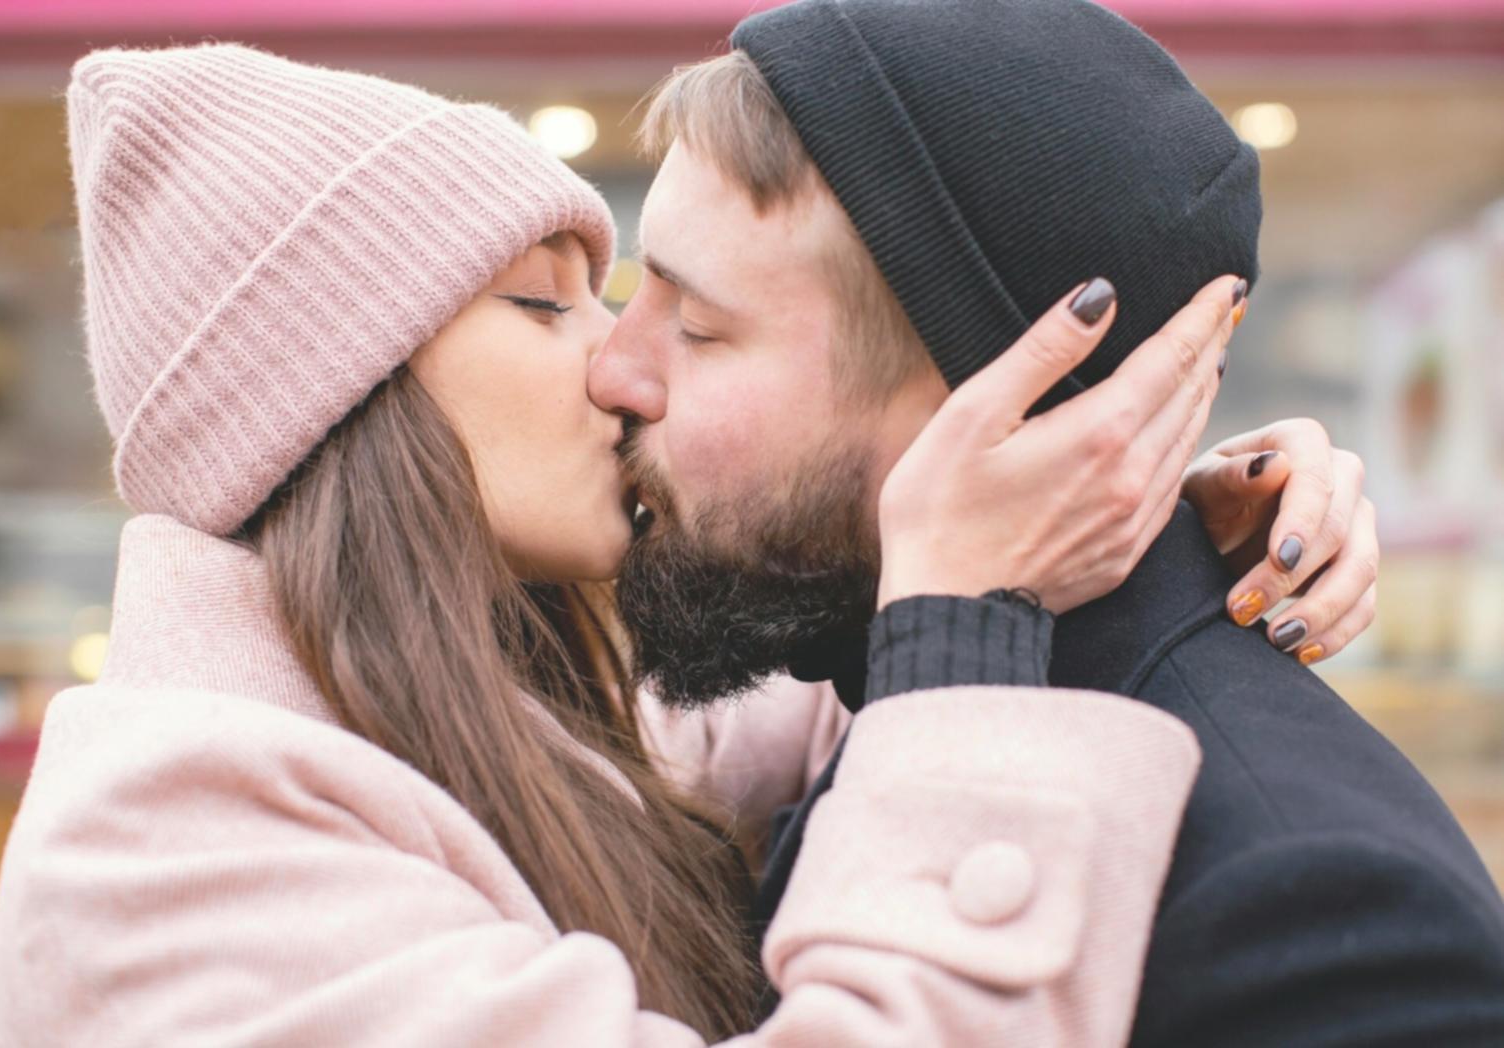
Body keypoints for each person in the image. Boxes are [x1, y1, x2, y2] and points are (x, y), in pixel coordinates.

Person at [0, 43, 1373, 1047]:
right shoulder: (169, 852)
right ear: (335, 393)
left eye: (671, 315)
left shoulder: (504, 709)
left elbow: (795, 639)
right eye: (546, 307)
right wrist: (973, 604)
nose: (616, 367)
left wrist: (1139, 501)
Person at [592, 0, 1504, 1042]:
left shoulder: (1325, 915)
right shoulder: (878, 688)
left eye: (698, 325)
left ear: (999, 406)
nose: (611, 370)